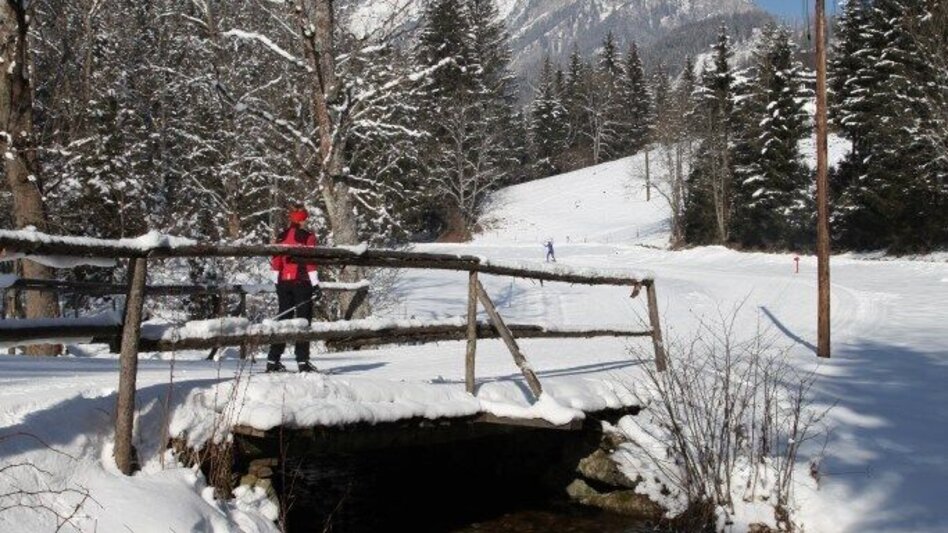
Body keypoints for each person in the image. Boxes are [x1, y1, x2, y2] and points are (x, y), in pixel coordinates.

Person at [267, 205, 320, 373]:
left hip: (283, 282)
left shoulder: (281, 236)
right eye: (306, 218)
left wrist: (276, 280)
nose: (307, 221)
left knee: (283, 320)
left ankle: (273, 359)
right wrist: (315, 283)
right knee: (303, 321)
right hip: (301, 282)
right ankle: (303, 361)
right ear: (303, 219)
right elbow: (310, 261)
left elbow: (276, 260)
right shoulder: (308, 237)